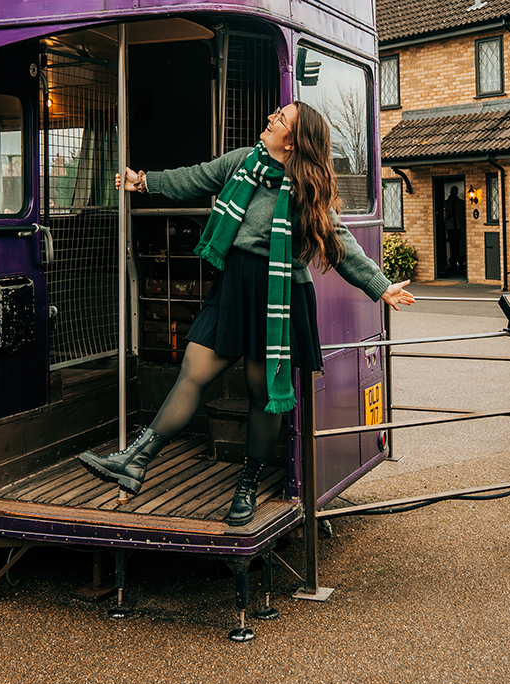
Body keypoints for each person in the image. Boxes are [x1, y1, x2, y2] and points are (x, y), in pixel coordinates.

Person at [77, 101, 415, 526]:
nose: (272, 118)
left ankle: (247, 487)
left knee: (262, 395)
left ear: (292, 141)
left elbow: (339, 242)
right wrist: (143, 182)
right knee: (193, 371)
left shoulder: (306, 188)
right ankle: (136, 460)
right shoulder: (244, 162)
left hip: (278, 294)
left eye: (281, 119)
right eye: (276, 112)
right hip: (235, 283)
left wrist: (382, 287)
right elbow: (196, 176)